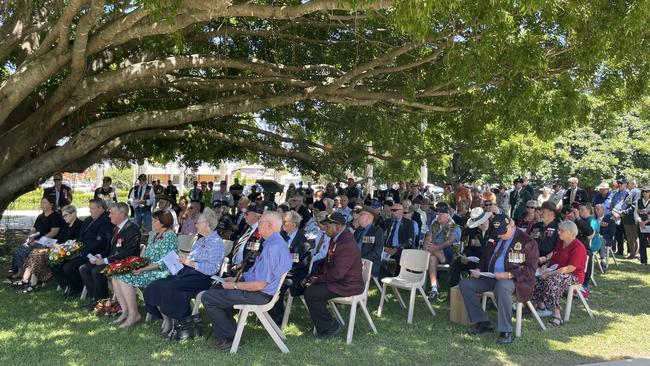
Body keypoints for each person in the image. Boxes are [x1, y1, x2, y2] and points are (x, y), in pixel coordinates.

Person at [201, 211, 291, 350]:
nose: (258, 226)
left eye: (260, 223)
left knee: (208, 297)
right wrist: (235, 279)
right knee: (217, 289)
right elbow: (257, 274)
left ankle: (230, 337)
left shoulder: (273, 247)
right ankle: (226, 333)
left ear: (270, 225)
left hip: (260, 294)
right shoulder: (274, 242)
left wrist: (235, 285)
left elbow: (260, 284)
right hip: (260, 291)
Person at [145, 208, 224, 340]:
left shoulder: (216, 242)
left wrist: (190, 263)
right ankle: (169, 320)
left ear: (207, 224)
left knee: (169, 286)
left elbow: (213, 268)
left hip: (203, 278)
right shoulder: (200, 241)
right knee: (156, 285)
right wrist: (182, 259)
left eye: (198, 223)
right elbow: (191, 259)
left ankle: (179, 324)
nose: (196, 225)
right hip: (189, 273)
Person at [459, 214, 538, 345]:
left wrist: (509, 274)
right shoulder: (494, 236)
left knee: (502, 286)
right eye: (497, 233)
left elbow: (530, 270)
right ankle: (482, 322)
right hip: (491, 276)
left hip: (514, 280)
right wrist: (479, 269)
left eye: (503, 232)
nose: (500, 236)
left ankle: (505, 330)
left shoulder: (527, 242)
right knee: (466, 284)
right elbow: (485, 256)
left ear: (512, 226)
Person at [112, 210, 178, 328]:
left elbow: (164, 262)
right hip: (148, 268)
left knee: (124, 278)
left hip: (162, 271)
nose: (152, 222)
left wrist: (143, 269)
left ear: (163, 222)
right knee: (116, 275)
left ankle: (134, 314)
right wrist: (137, 265)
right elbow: (147, 256)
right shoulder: (154, 234)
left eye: (155, 220)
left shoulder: (170, 236)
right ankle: (125, 311)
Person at [303, 212, 363, 339]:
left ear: (338, 226)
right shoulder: (338, 238)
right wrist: (315, 277)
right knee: (309, 288)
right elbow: (328, 264)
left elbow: (338, 273)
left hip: (348, 284)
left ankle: (330, 327)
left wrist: (318, 279)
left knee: (312, 293)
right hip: (340, 281)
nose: (325, 228)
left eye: (328, 225)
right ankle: (324, 324)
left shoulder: (346, 243)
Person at [80, 202, 141, 308]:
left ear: (121, 215)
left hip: (125, 263)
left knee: (97, 271)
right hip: (113, 261)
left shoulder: (132, 229)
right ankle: (95, 299)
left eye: (112, 213)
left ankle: (103, 302)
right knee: (84, 268)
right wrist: (99, 256)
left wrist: (105, 260)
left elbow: (127, 253)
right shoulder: (116, 228)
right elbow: (110, 250)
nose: (109, 216)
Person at [50, 199, 113, 297]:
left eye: (92, 209)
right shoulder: (88, 220)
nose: (90, 211)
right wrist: (73, 248)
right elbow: (80, 237)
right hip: (81, 249)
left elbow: (100, 241)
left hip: (94, 252)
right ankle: (68, 286)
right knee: (56, 262)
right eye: (90, 209)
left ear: (101, 208)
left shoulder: (106, 220)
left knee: (69, 267)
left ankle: (78, 289)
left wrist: (81, 251)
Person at [534, 220, 587, 326]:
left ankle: (557, 316)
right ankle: (540, 306)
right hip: (557, 271)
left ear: (570, 233)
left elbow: (570, 268)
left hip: (574, 276)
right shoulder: (560, 243)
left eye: (561, 231)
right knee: (534, 276)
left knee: (553, 281)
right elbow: (554, 258)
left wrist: (550, 273)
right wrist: (545, 266)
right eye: (559, 230)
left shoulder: (578, 247)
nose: (558, 232)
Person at [19, 204, 81, 293]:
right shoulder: (66, 226)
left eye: (65, 215)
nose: (64, 218)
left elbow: (75, 243)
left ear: (73, 214)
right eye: (63, 216)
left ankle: (32, 283)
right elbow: (60, 239)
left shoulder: (79, 225)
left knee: (38, 254)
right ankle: (28, 280)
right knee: (35, 252)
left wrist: (58, 246)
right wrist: (52, 244)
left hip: (67, 251)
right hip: (58, 248)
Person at [269, 211, 312, 325]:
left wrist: (281, 274)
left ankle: (278, 317)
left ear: (293, 224)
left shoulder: (303, 244)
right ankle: (265, 313)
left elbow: (301, 268)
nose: (282, 224)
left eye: (284, 222)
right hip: (279, 272)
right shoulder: (281, 236)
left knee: (278, 284)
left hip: (294, 276)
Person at [10, 196, 64, 282]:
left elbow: (54, 232)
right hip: (35, 240)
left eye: (44, 202)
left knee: (28, 250)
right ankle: (20, 272)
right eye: (41, 202)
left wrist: (40, 240)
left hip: (48, 242)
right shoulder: (40, 216)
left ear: (51, 205)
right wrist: (30, 238)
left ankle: (29, 274)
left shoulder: (55, 216)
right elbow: (34, 229)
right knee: (20, 249)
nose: (41, 204)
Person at [423, 205, 461, 301]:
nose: (438, 216)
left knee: (431, 252)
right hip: (434, 252)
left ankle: (419, 276)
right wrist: (427, 245)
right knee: (431, 257)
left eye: (440, 214)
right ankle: (434, 288)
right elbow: (429, 237)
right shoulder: (435, 224)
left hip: (450, 253)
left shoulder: (455, 227)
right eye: (437, 214)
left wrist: (434, 248)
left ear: (447, 215)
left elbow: (450, 242)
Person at [448, 207, 492, 289]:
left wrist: (482, 244)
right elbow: (469, 247)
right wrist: (465, 255)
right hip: (474, 260)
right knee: (456, 263)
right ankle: (453, 291)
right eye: (480, 224)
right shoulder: (473, 231)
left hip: (488, 262)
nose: (484, 224)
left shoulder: (494, 231)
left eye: (485, 221)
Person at [382, 202, 415, 275]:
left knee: (399, 256)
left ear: (401, 211)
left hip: (400, 249)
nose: (392, 212)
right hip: (387, 248)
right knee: (376, 255)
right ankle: (383, 275)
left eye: (394, 210)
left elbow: (410, 241)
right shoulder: (387, 222)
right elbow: (381, 235)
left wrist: (397, 248)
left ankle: (395, 275)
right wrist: (385, 247)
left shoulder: (408, 223)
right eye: (391, 210)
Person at [353, 205, 384, 278]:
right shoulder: (357, 231)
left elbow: (377, 251)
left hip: (369, 264)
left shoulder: (377, 231)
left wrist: (362, 260)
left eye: (361, 214)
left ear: (368, 217)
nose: (358, 217)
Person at [621, 179, 641, 259]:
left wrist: (624, 212)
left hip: (632, 218)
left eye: (628, 183)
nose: (626, 185)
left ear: (633, 184)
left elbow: (634, 206)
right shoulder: (628, 192)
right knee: (629, 237)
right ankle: (632, 253)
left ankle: (637, 254)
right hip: (626, 218)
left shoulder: (636, 192)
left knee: (635, 236)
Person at [610, 178, 629, 256]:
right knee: (618, 234)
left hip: (625, 216)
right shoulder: (615, 194)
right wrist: (614, 213)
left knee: (627, 235)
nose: (619, 185)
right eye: (619, 183)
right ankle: (620, 251)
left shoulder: (628, 194)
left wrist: (621, 214)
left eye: (621, 183)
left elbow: (629, 206)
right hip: (616, 216)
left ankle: (630, 251)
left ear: (625, 184)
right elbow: (611, 206)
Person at [595, 203, 616, 271]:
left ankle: (603, 260)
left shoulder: (610, 220)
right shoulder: (592, 220)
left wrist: (601, 236)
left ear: (603, 210)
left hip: (606, 239)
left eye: (598, 209)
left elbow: (611, 234)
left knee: (601, 239)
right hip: (593, 239)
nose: (596, 211)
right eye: (595, 209)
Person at [635, 186, 650, 265]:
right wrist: (640, 221)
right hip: (641, 225)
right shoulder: (639, 201)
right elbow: (635, 213)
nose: (645, 193)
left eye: (647, 191)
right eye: (643, 191)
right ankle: (643, 261)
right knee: (642, 242)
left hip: (649, 224)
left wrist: (646, 221)